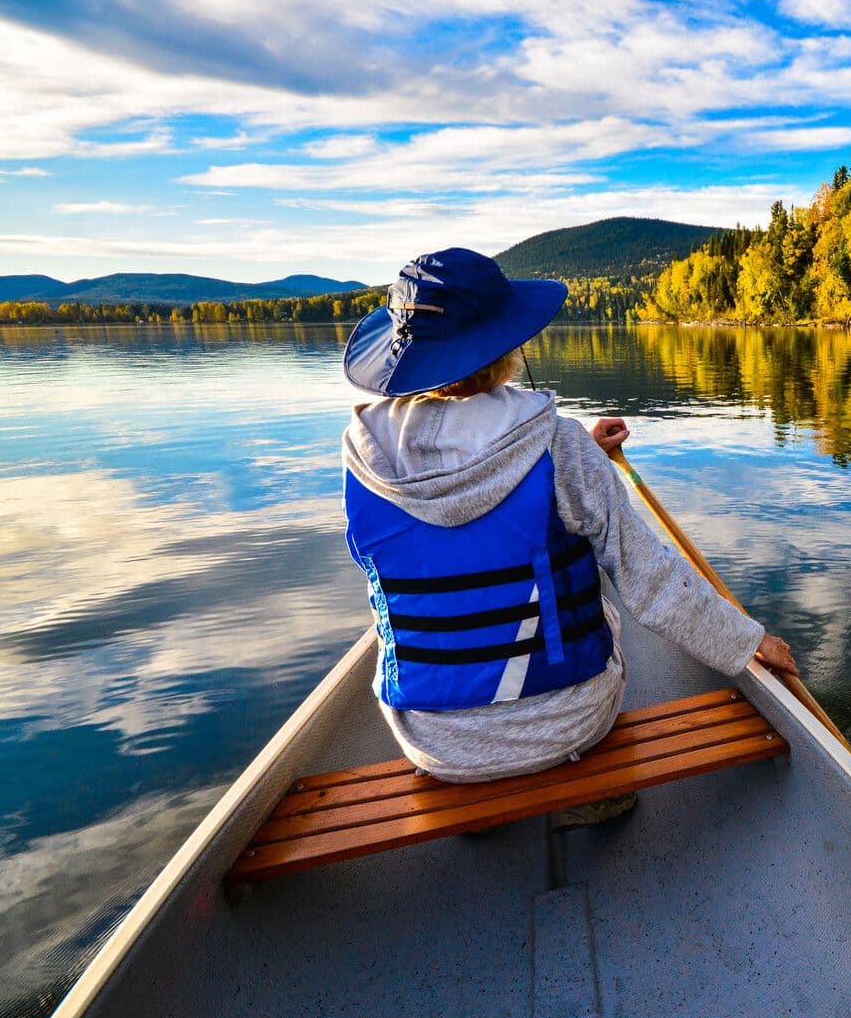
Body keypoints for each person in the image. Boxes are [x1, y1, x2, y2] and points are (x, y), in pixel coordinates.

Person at [339, 247, 796, 790]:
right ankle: (597, 800)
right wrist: (750, 641)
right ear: (506, 343)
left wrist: (585, 458)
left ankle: (477, 810)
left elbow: (465, 499)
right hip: (568, 727)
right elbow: (651, 584)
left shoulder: (364, 456)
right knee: (597, 590)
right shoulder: (560, 445)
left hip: (433, 743)